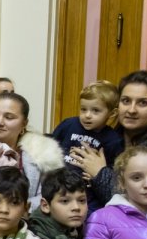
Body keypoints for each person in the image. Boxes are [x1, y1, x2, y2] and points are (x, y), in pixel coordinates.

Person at [72, 70, 147, 209]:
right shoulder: (103, 138)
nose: (131, 110)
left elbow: (138, 203)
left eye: (143, 103)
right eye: (126, 101)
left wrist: (100, 172)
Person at [51, 81, 124, 213]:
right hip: (59, 186)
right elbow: (50, 146)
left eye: (95, 110)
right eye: (83, 109)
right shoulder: (68, 125)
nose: (87, 115)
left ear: (112, 114)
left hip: (89, 195)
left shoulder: (113, 140)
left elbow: (115, 171)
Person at [0, 91, 65, 210]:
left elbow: (49, 195)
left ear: (24, 123)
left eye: (9, 117)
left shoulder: (40, 155)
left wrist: (16, 211)